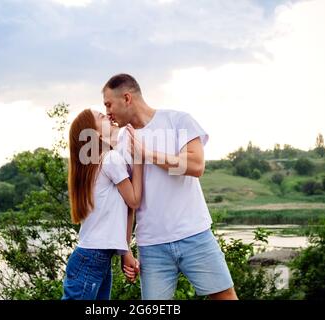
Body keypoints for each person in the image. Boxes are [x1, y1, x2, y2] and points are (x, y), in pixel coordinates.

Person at [102, 73, 238, 300]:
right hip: (151, 245)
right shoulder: (122, 142)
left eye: (108, 104)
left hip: (194, 234)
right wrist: (124, 250)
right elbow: (128, 202)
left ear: (126, 98)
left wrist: (147, 154)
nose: (107, 112)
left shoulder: (178, 121)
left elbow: (196, 165)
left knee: (224, 297)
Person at [62, 108, 142, 300]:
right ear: (95, 133)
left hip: (95, 257)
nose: (107, 116)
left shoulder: (95, 164)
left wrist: (126, 251)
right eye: (101, 116)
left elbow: (125, 208)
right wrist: (139, 156)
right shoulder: (110, 159)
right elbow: (134, 200)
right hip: (93, 257)